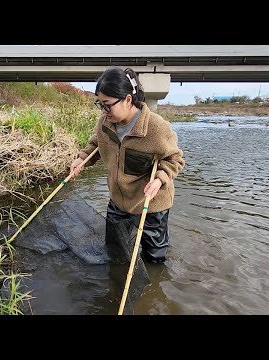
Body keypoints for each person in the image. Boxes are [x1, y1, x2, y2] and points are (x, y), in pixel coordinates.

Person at [70, 67, 185, 264]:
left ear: (128, 99)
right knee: (115, 251)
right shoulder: (105, 124)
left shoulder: (157, 128)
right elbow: (95, 144)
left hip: (151, 205)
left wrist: (160, 179)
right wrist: (82, 159)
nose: (104, 112)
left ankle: (153, 288)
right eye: (100, 105)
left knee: (153, 257)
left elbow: (175, 159)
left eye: (107, 105)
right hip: (118, 199)